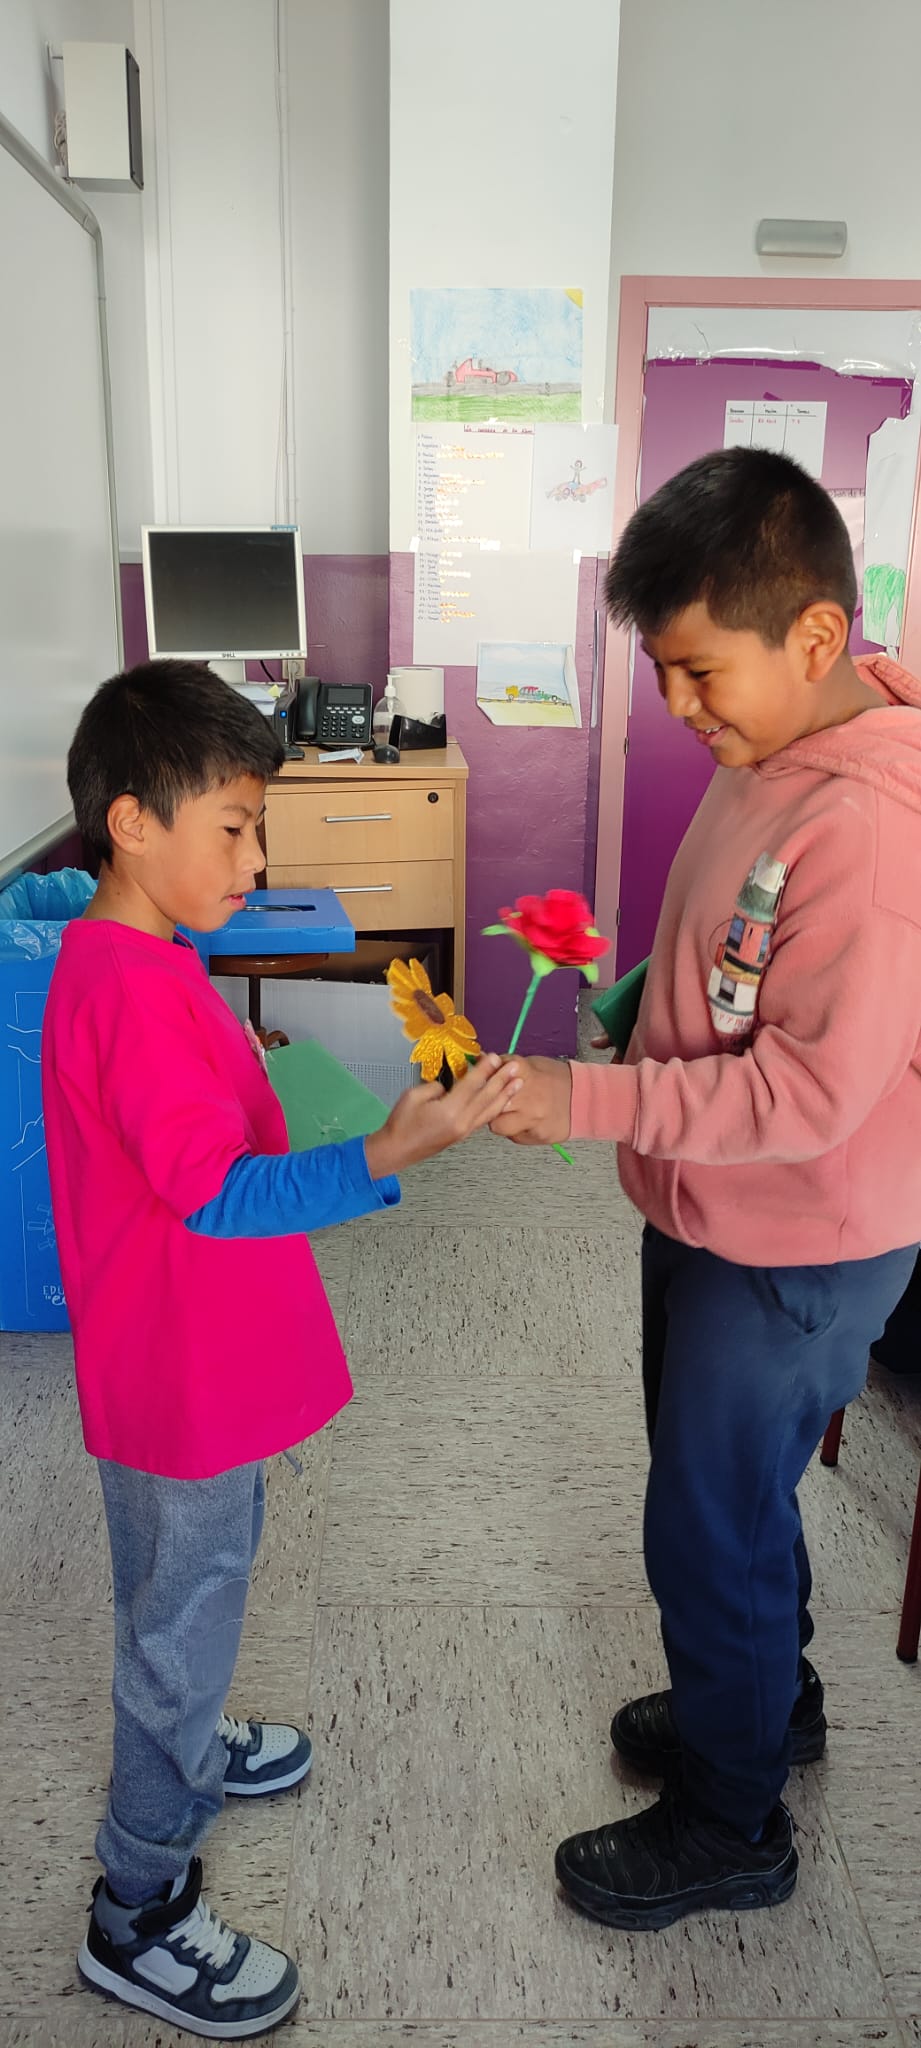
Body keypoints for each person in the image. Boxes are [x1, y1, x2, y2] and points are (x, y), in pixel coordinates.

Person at [41, 659, 521, 2038]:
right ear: (132, 824)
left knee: (194, 1576)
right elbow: (216, 1195)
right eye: (237, 827)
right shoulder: (131, 990)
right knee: (179, 1619)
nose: (258, 858)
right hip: (178, 1375)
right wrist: (385, 1152)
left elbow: (198, 1137)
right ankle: (138, 1905)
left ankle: (192, 1745)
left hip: (190, 1358)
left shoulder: (142, 955)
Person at [490, 447, 921, 1930]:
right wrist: (632, 1011)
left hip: (796, 1237)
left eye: (696, 670)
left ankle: (732, 1826)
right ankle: (767, 1701)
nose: (677, 705)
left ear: (814, 635)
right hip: (706, 1205)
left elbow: (805, 1093)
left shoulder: (869, 828)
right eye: (659, 671)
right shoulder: (770, 748)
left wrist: (585, 1097)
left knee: (708, 1523)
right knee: (726, 1496)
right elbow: (733, 961)